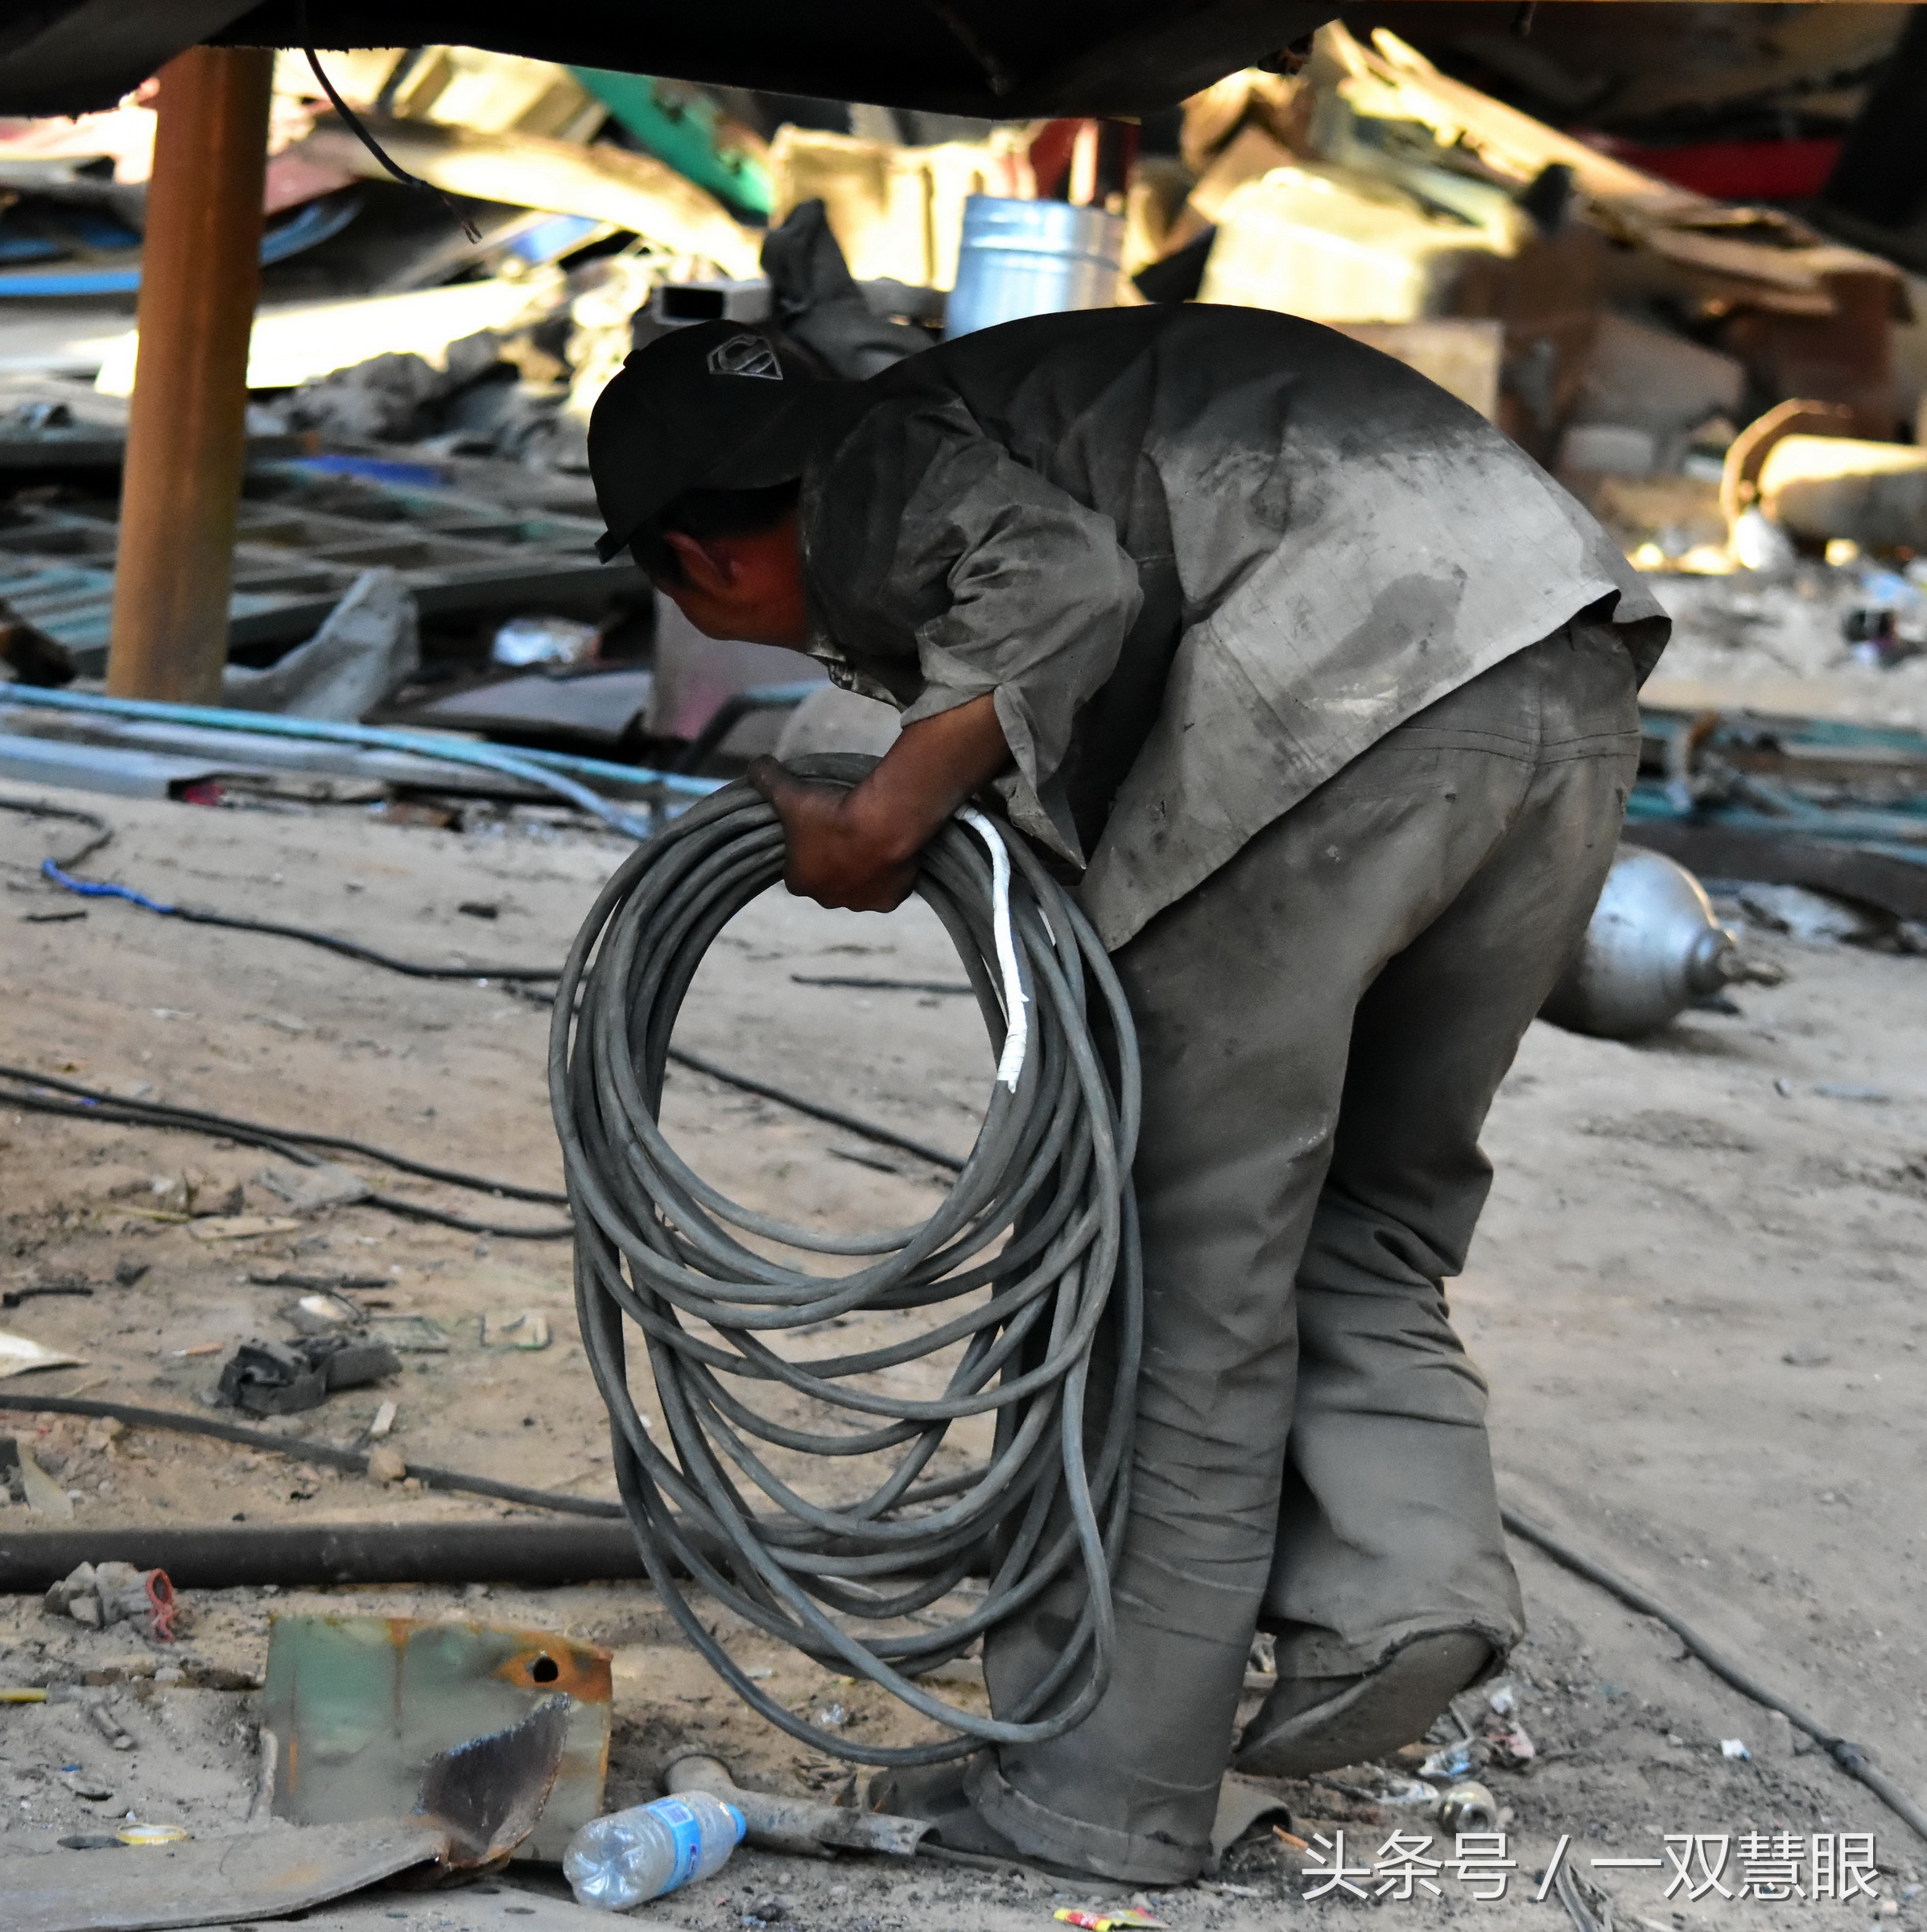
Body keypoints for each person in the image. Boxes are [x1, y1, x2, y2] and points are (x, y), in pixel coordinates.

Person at [584, 307, 1665, 1885]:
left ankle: (1107, 1794)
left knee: (1166, 1261)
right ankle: (1403, 1589)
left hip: (1344, 705)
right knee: (1368, 1207)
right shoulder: (987, 415)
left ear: (701, 560)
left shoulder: (867, 471)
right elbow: (1075, 619)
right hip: (1560, 679)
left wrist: (883, 812)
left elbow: (1060, 583)